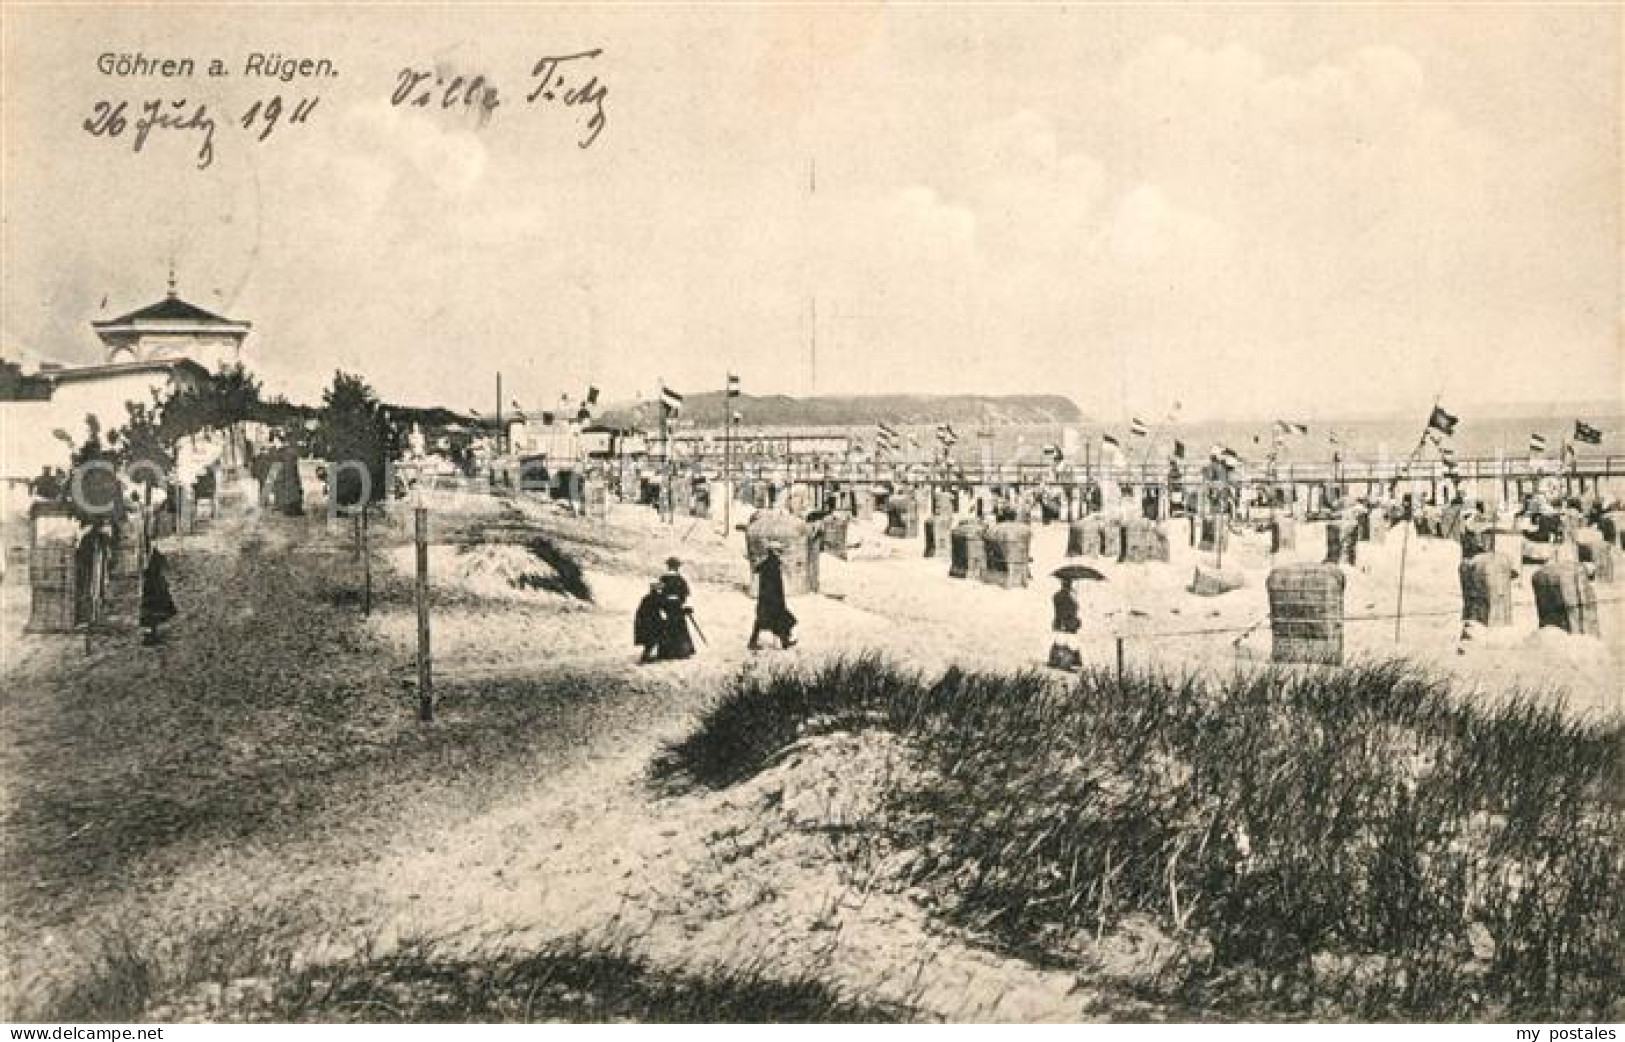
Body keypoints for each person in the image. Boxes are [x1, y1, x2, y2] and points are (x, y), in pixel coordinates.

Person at [749, 542, 798, 651]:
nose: (781, 553)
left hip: (765, 600)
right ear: (773, 552)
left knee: (766, 622)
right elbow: (773, 587)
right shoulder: (773, 566)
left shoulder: (767, 564)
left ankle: (783, 641)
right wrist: (777, 602)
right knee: (781, 620)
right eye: (779, 551)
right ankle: (784, 642)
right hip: (772, 601)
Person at [657, 557, 696, 660]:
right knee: (679, 627)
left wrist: (661, 604)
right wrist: (683, 603)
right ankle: (682, 652)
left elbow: (658, 592)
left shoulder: (663, 578)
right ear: (677, 567)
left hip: (667, 606)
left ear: (668, 566)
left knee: (667, 627)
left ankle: (666, 652)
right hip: (677, 606)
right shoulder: (680, 579)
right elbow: (685, 593)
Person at [139, 546, 177, 645]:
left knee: (153, 609)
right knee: (152, 608)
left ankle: (151, 633)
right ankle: (151, 634)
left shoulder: (154, 561)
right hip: (152, 585)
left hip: (153, 584)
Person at [1048, 577, 1082, 671]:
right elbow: (1069, 610)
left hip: (1060, 622)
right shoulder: (1067, 596)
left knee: (1059, 641)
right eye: (1070, 584)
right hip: (1067, 622)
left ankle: (1054, 661)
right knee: (1069, 642)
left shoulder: (1058, 595)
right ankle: (1066, 663)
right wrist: (1075, 603)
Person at [633, 580, 665, 663]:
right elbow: (663, 606)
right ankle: (645, 657)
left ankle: (646, 656)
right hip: (650, 621)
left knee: (650, 640)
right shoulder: (656, 597)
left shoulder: (647, 597)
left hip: (644, 620)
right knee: (653, 639)